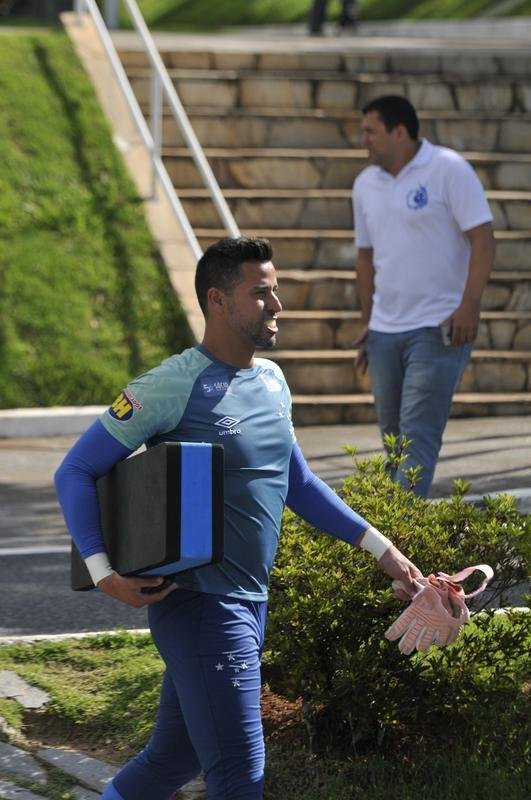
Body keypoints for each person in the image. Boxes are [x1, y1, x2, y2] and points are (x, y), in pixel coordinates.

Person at [55, 236, 422, 800]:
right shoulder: (172, 384)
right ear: (218, 301)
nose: (276, 306)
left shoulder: (273, 381)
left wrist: (383, 549)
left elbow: (296, 482)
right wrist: (105, 573)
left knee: (170, 760)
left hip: (249, 601)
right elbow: (75, 471)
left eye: (275, 292)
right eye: (261, 293)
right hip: (202, 605)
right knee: (240, 776)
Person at [353, 95, 495, 498]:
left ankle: (394, 541)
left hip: (439, 328)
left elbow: (482, 238)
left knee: (417, 437)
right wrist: (368, 322)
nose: (363, 140)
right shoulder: (364, 184)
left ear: (399, 132)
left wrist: (469, 305)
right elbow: (365, 259)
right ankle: (395, 538)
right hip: (383, 332)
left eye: (370, 132)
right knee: (393, 441)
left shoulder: (447, 169)